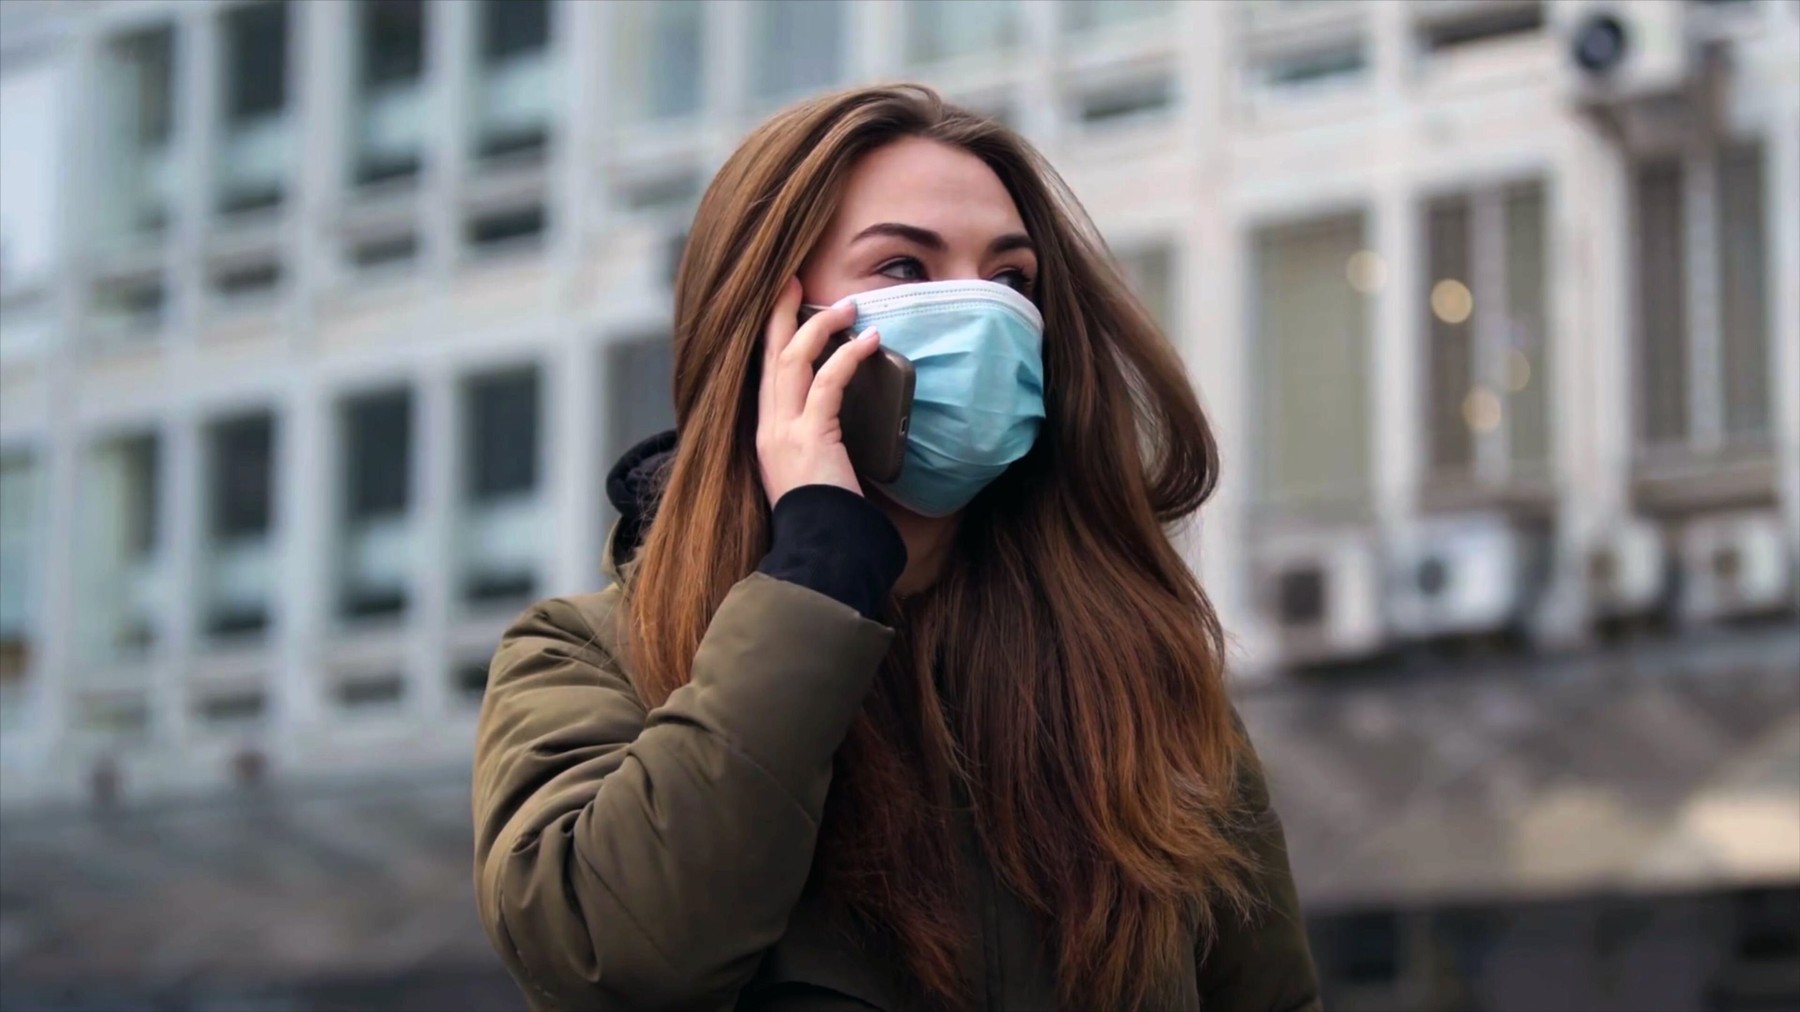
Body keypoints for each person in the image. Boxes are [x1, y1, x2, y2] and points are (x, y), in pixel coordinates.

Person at [472, 84, 1320, 1012]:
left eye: (1011, 281)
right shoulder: (586, 659)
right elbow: (616, 956)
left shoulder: (1143, 678)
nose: (986, 315)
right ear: (767, 327)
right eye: (905, 270)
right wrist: (821, 571)